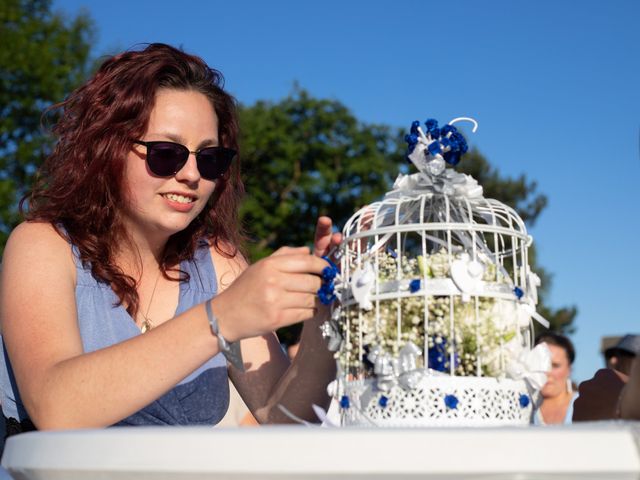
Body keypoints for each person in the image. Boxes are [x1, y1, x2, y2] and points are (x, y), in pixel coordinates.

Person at [0, 43, 341, 436]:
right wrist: (219, 318)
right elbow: (57, 408)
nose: (192, 174)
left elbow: (289, 421)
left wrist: (326, 315)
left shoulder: (219, 263)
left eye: (210, 158)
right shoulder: (42, 245)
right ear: (105, 149)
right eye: (167, 153)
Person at [533, 332, 577, 425]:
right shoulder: (521, 407)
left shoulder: (586, 405)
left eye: (555, 365)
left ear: (569, 369)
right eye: (541, 365)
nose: (547, 372)